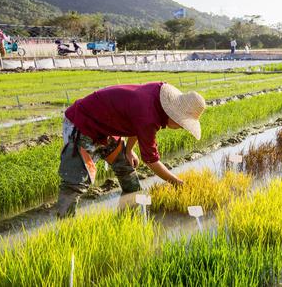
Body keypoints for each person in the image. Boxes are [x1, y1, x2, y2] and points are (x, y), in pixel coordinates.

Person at [56, 82, 206, 217]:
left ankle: (129, 216)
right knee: (75, 183)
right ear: (174, 114)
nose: (181, 128)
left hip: (108, 127)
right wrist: (177, 183)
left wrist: (129, 150)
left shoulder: (157, 97)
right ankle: (65, 225)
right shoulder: (149, 115)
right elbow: (152, 161)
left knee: (126, 169)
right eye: (182, 124)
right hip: (84, 123)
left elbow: (136, 123)